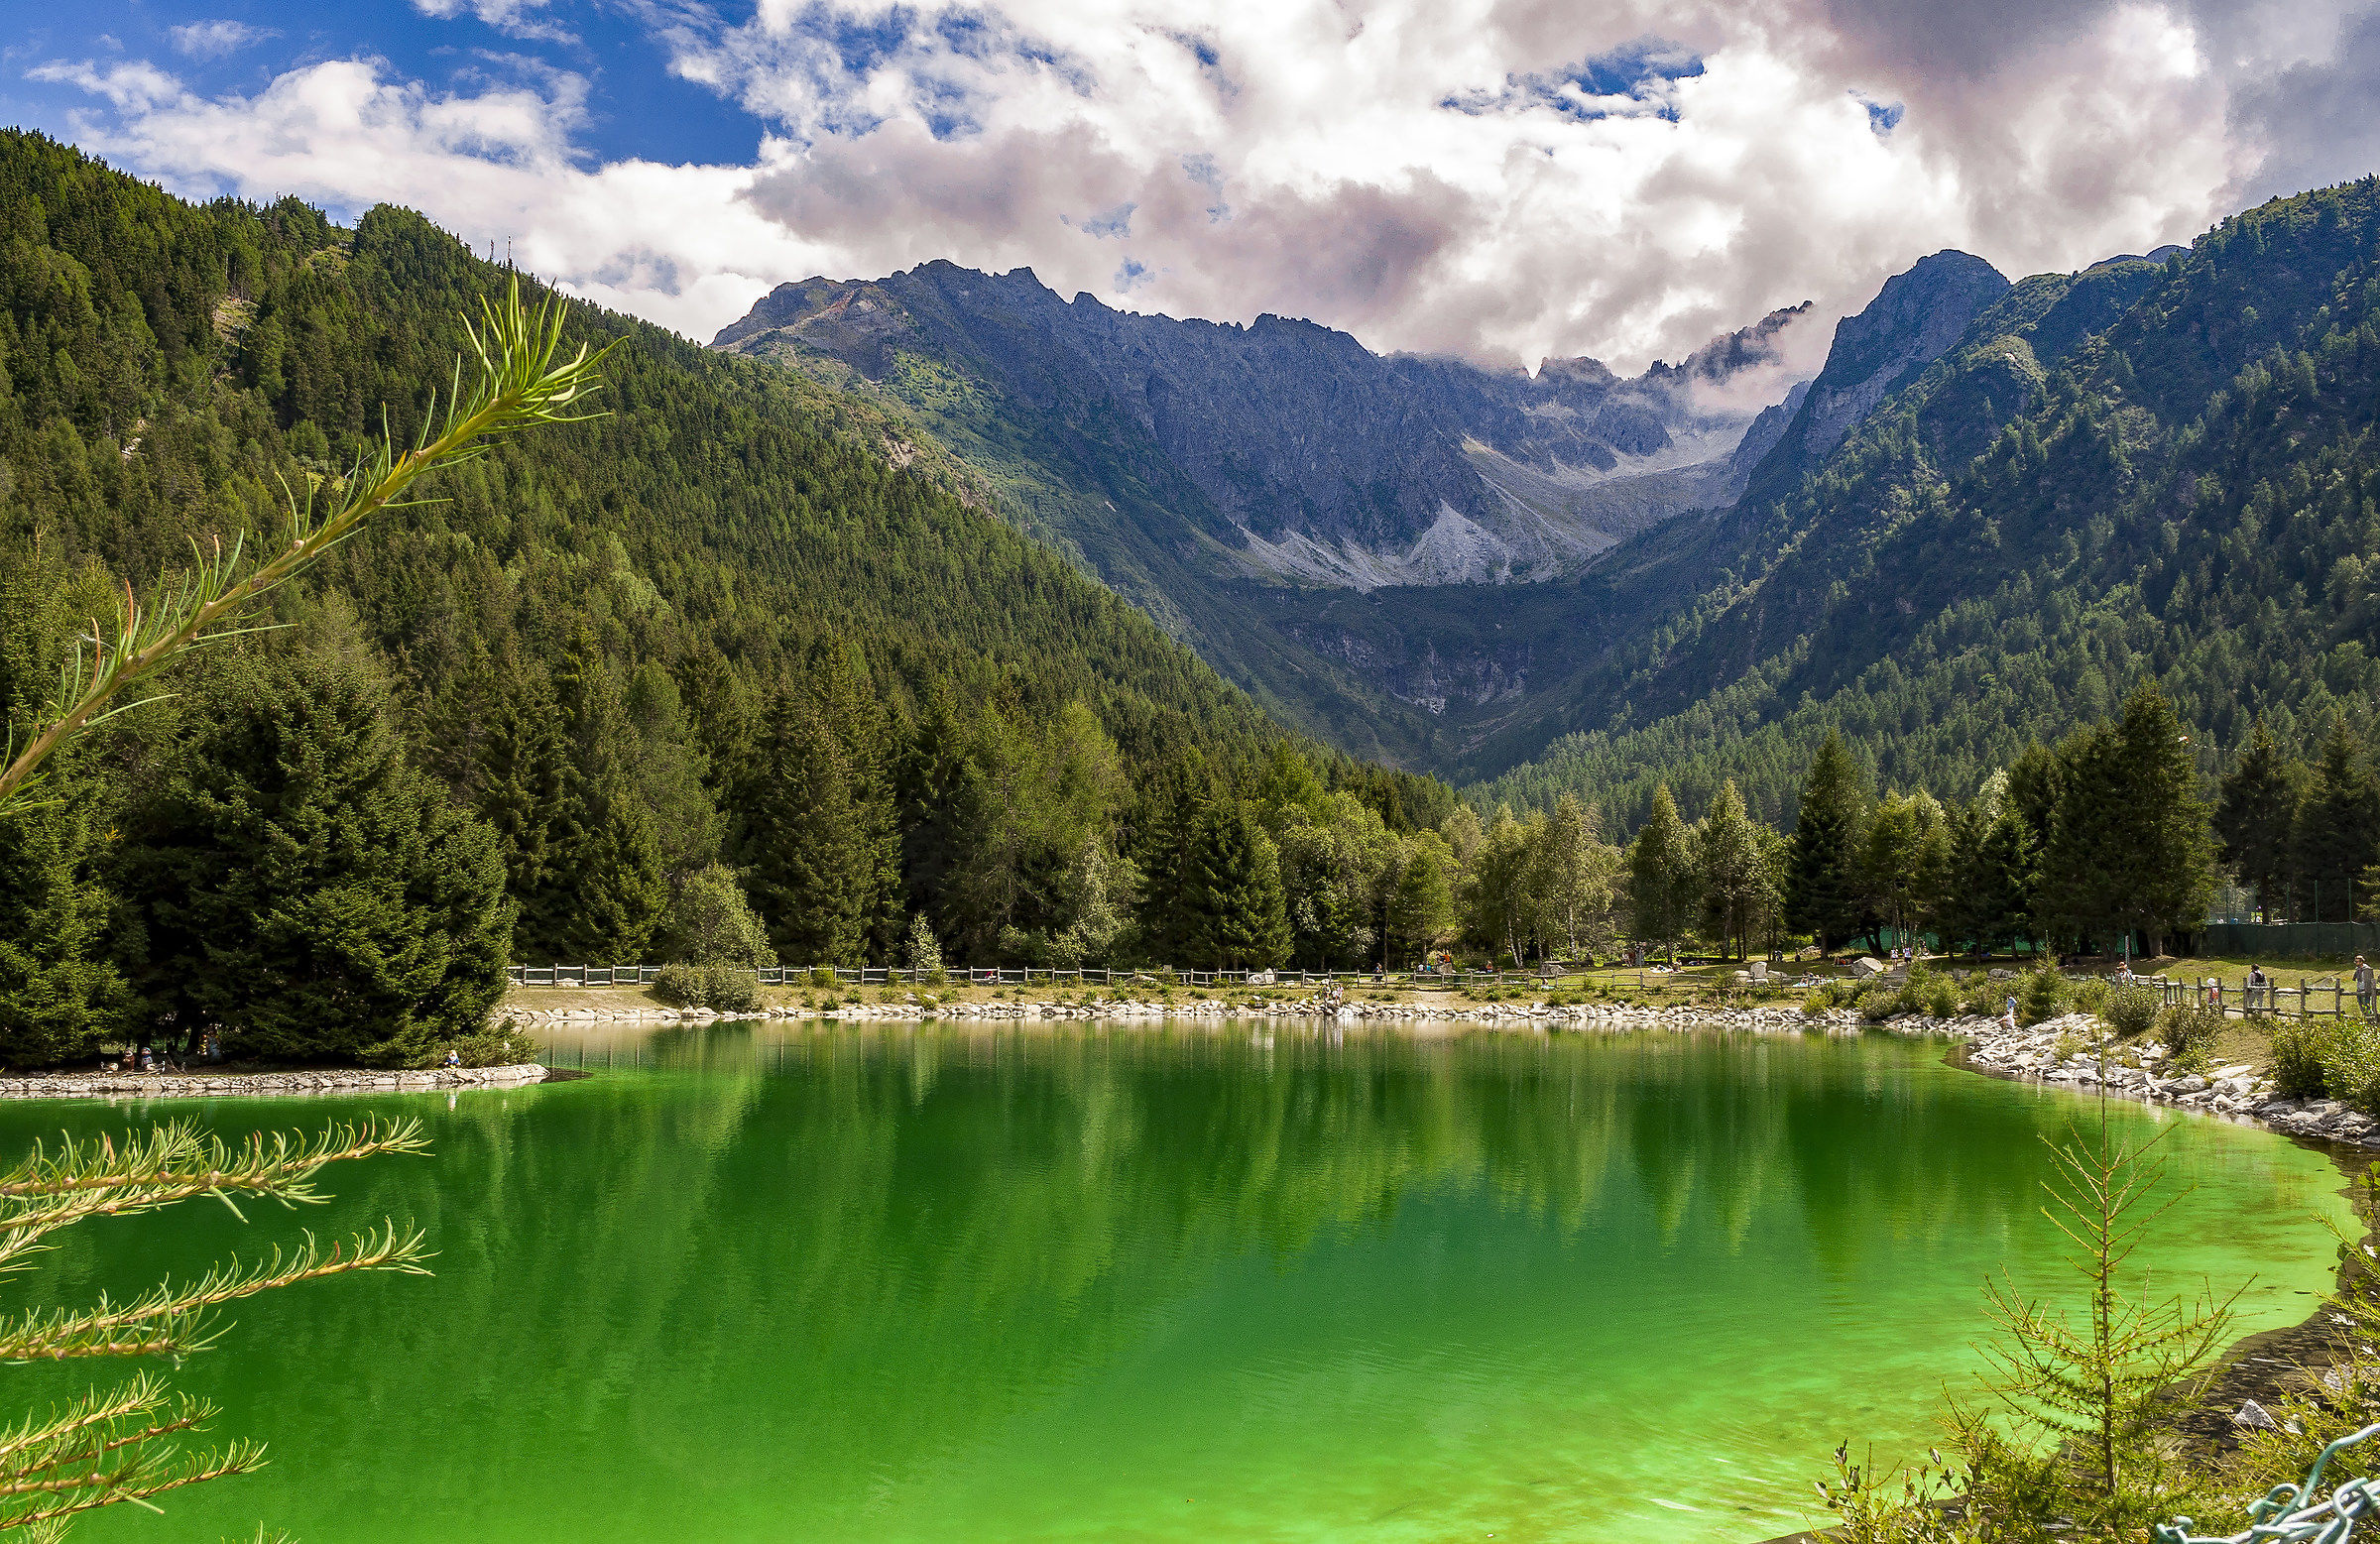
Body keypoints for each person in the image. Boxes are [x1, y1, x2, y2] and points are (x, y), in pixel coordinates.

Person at [2358, 955, 2376, 1020]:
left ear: (2361, 962)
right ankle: (2365, 1017)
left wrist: (2368, 989)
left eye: (2357, 962)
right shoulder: (2358, 969)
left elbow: (2370, 980)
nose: (2355, 963)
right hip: (2359, 989)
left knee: (2367, 1004)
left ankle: (2370, 1018)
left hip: (2365, 989)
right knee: (2360, 1004)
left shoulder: (2367, 969)